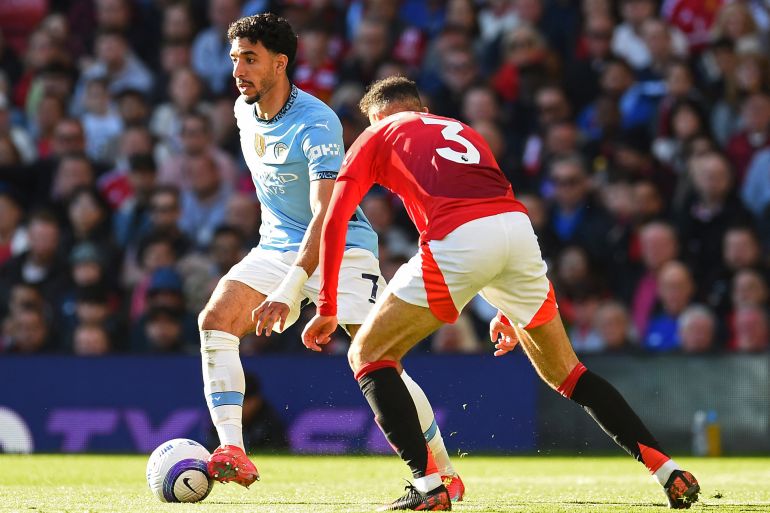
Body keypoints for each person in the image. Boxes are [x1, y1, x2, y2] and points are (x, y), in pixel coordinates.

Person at [303, 76, 700, 511]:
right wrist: (508, 305)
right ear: (422, 108)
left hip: (458, 236)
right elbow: (492, 215)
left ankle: (429, 486)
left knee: (368, 355)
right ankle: (668, 470)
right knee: (568, 374)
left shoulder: (378, 132)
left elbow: (333, 218)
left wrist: (327, 305)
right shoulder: (460, 129)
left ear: (378, 115)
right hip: (517, 230)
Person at [199, 15, 463, 500]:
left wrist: (290, 289)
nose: (238, 70)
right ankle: (232, 449)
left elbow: (326, 214)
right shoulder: (242, 109)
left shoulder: (317, 121)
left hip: (343, 246)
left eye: (250, 59)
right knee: (215, 321)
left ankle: (442, 471)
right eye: (235, 59)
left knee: (379, 360)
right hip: (277, 245)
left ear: (280, 63)